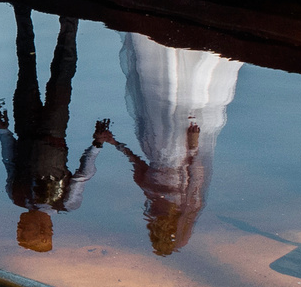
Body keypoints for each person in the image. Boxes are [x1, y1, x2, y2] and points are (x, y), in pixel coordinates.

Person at [95, 32, 242, 255]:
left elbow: (135, 161)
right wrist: (193, 145)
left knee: (161, 93)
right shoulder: (185, 201)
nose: (158, 222)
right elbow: (195, 170)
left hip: (156, 141)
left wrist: (114, 142)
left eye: (157, 230)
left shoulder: (149, 195)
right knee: (186, 97)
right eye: (163, 229)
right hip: (180, 144)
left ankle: (167, 48)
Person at [0, 5, 105, 252]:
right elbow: (82, 175)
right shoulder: (67, 202)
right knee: (62, 73)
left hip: (24, 127)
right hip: (54, 131)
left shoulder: (17, 196)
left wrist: (3, 131)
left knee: (26, 68)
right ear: (45, 231)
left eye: (19, 232)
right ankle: (70, 16)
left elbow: (10, 162)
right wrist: (96, 144)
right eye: (25, 232)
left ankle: (22, 10)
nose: (19, 228)